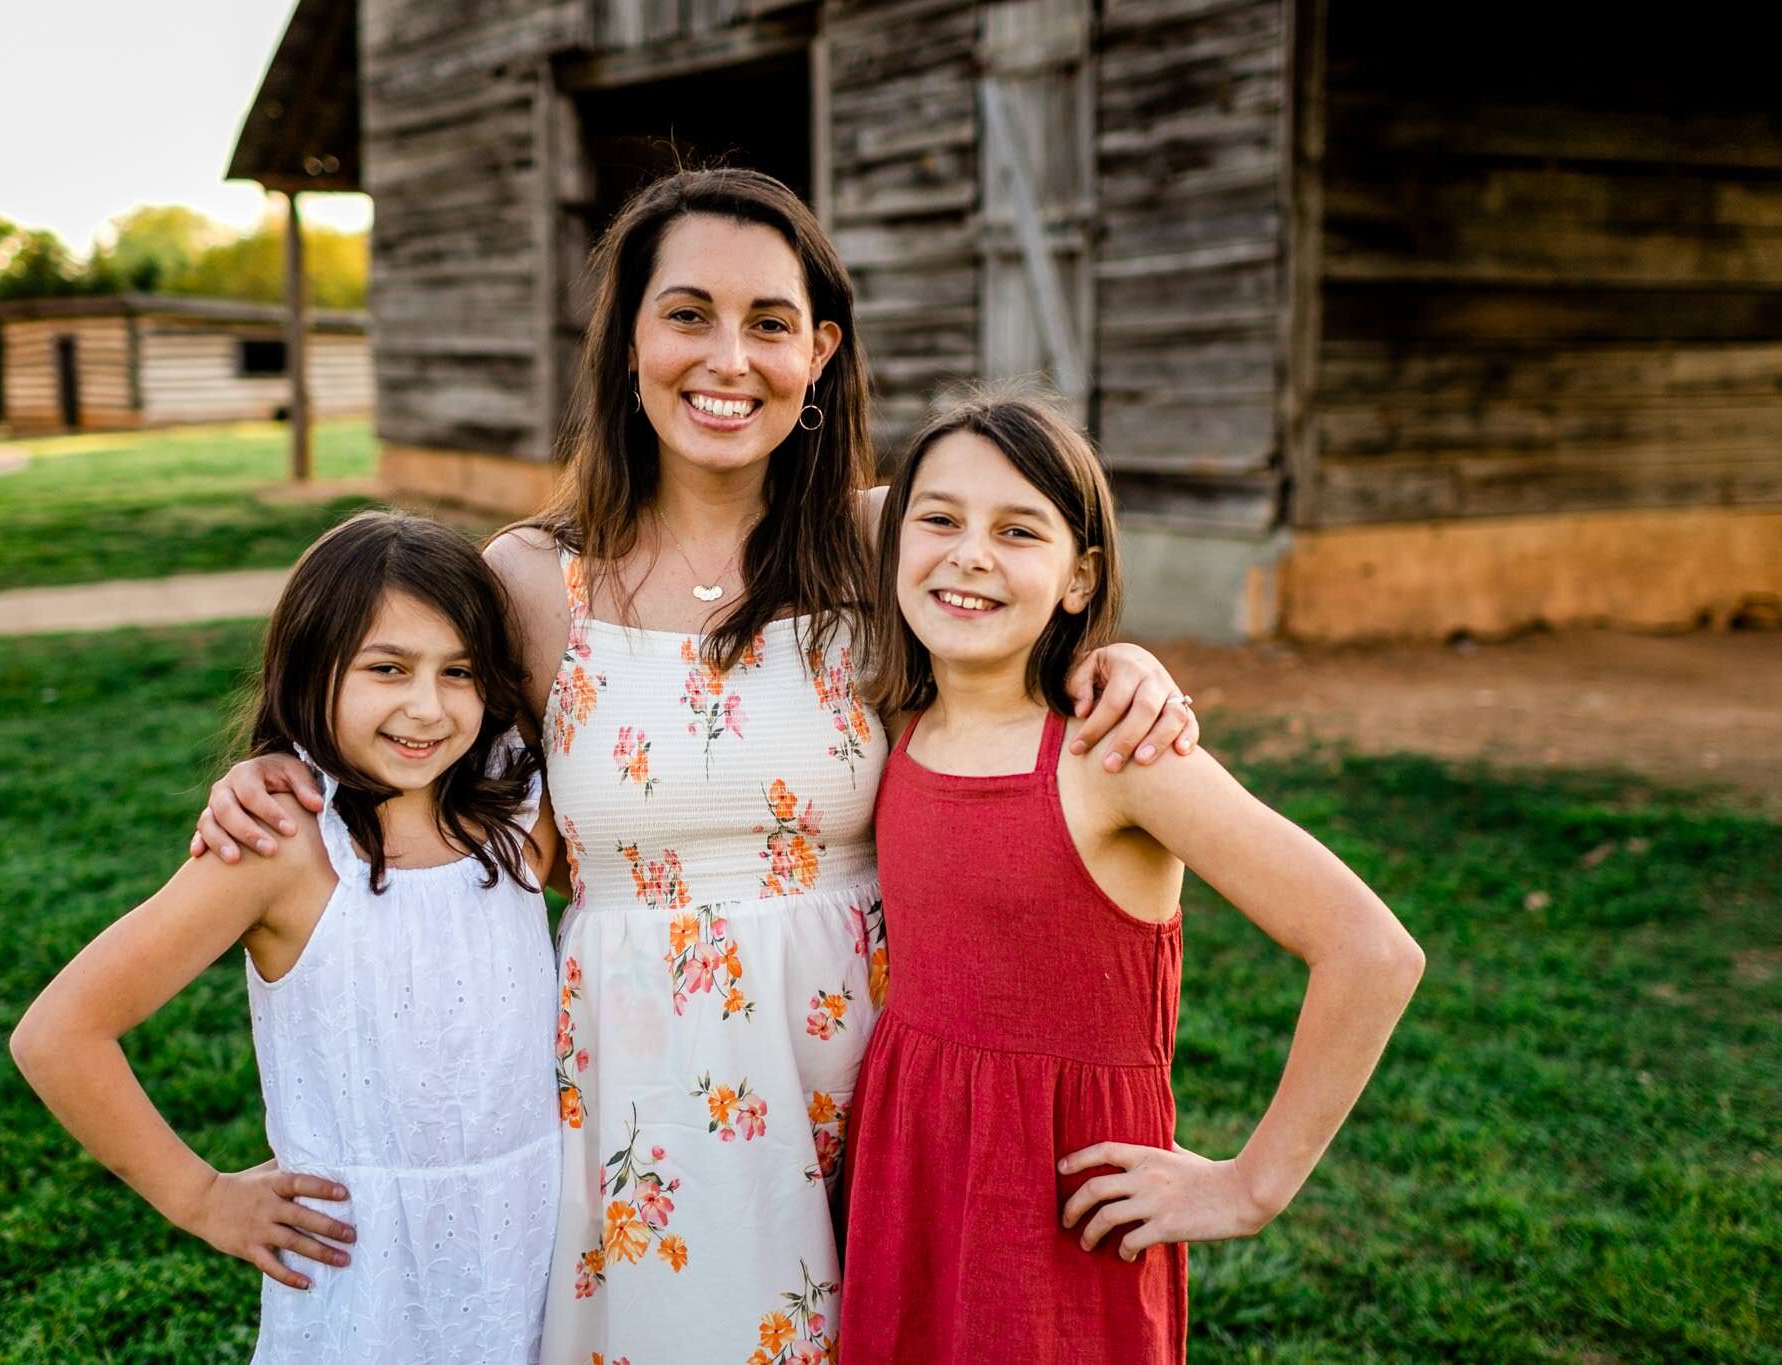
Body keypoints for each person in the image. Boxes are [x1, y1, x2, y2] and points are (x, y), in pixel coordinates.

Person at [192, 169, 1199, 1359]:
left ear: (819, 351)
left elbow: (1022, 620)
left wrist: (1123, 660)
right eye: (687, 315)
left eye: (769, 323)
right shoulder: (529, 578)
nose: (728, 359)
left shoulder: (887, 540)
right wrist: (280, 774)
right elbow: (418, 739)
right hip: (640, 1076)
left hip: (873, 1066)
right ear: (628, 340)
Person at [837, 393, 1425, 1362]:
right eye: (937, 519)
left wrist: (1247, 1188)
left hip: (1056, 1211)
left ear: (1080, 579)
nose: (970, 553)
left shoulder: (1117, 755)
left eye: (1017, 531)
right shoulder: (896, 725)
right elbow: (807, 508)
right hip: (912, 1175)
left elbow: (1368, 950)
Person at [11, 512, 564, 1363]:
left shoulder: (516, 808)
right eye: (388, 668)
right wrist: (201, 1197)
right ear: (312, 669)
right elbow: (59, 1033)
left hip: (530, 1238)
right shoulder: (280, 848)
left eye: (459, 671)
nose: (427, 705)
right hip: (365, 1277)